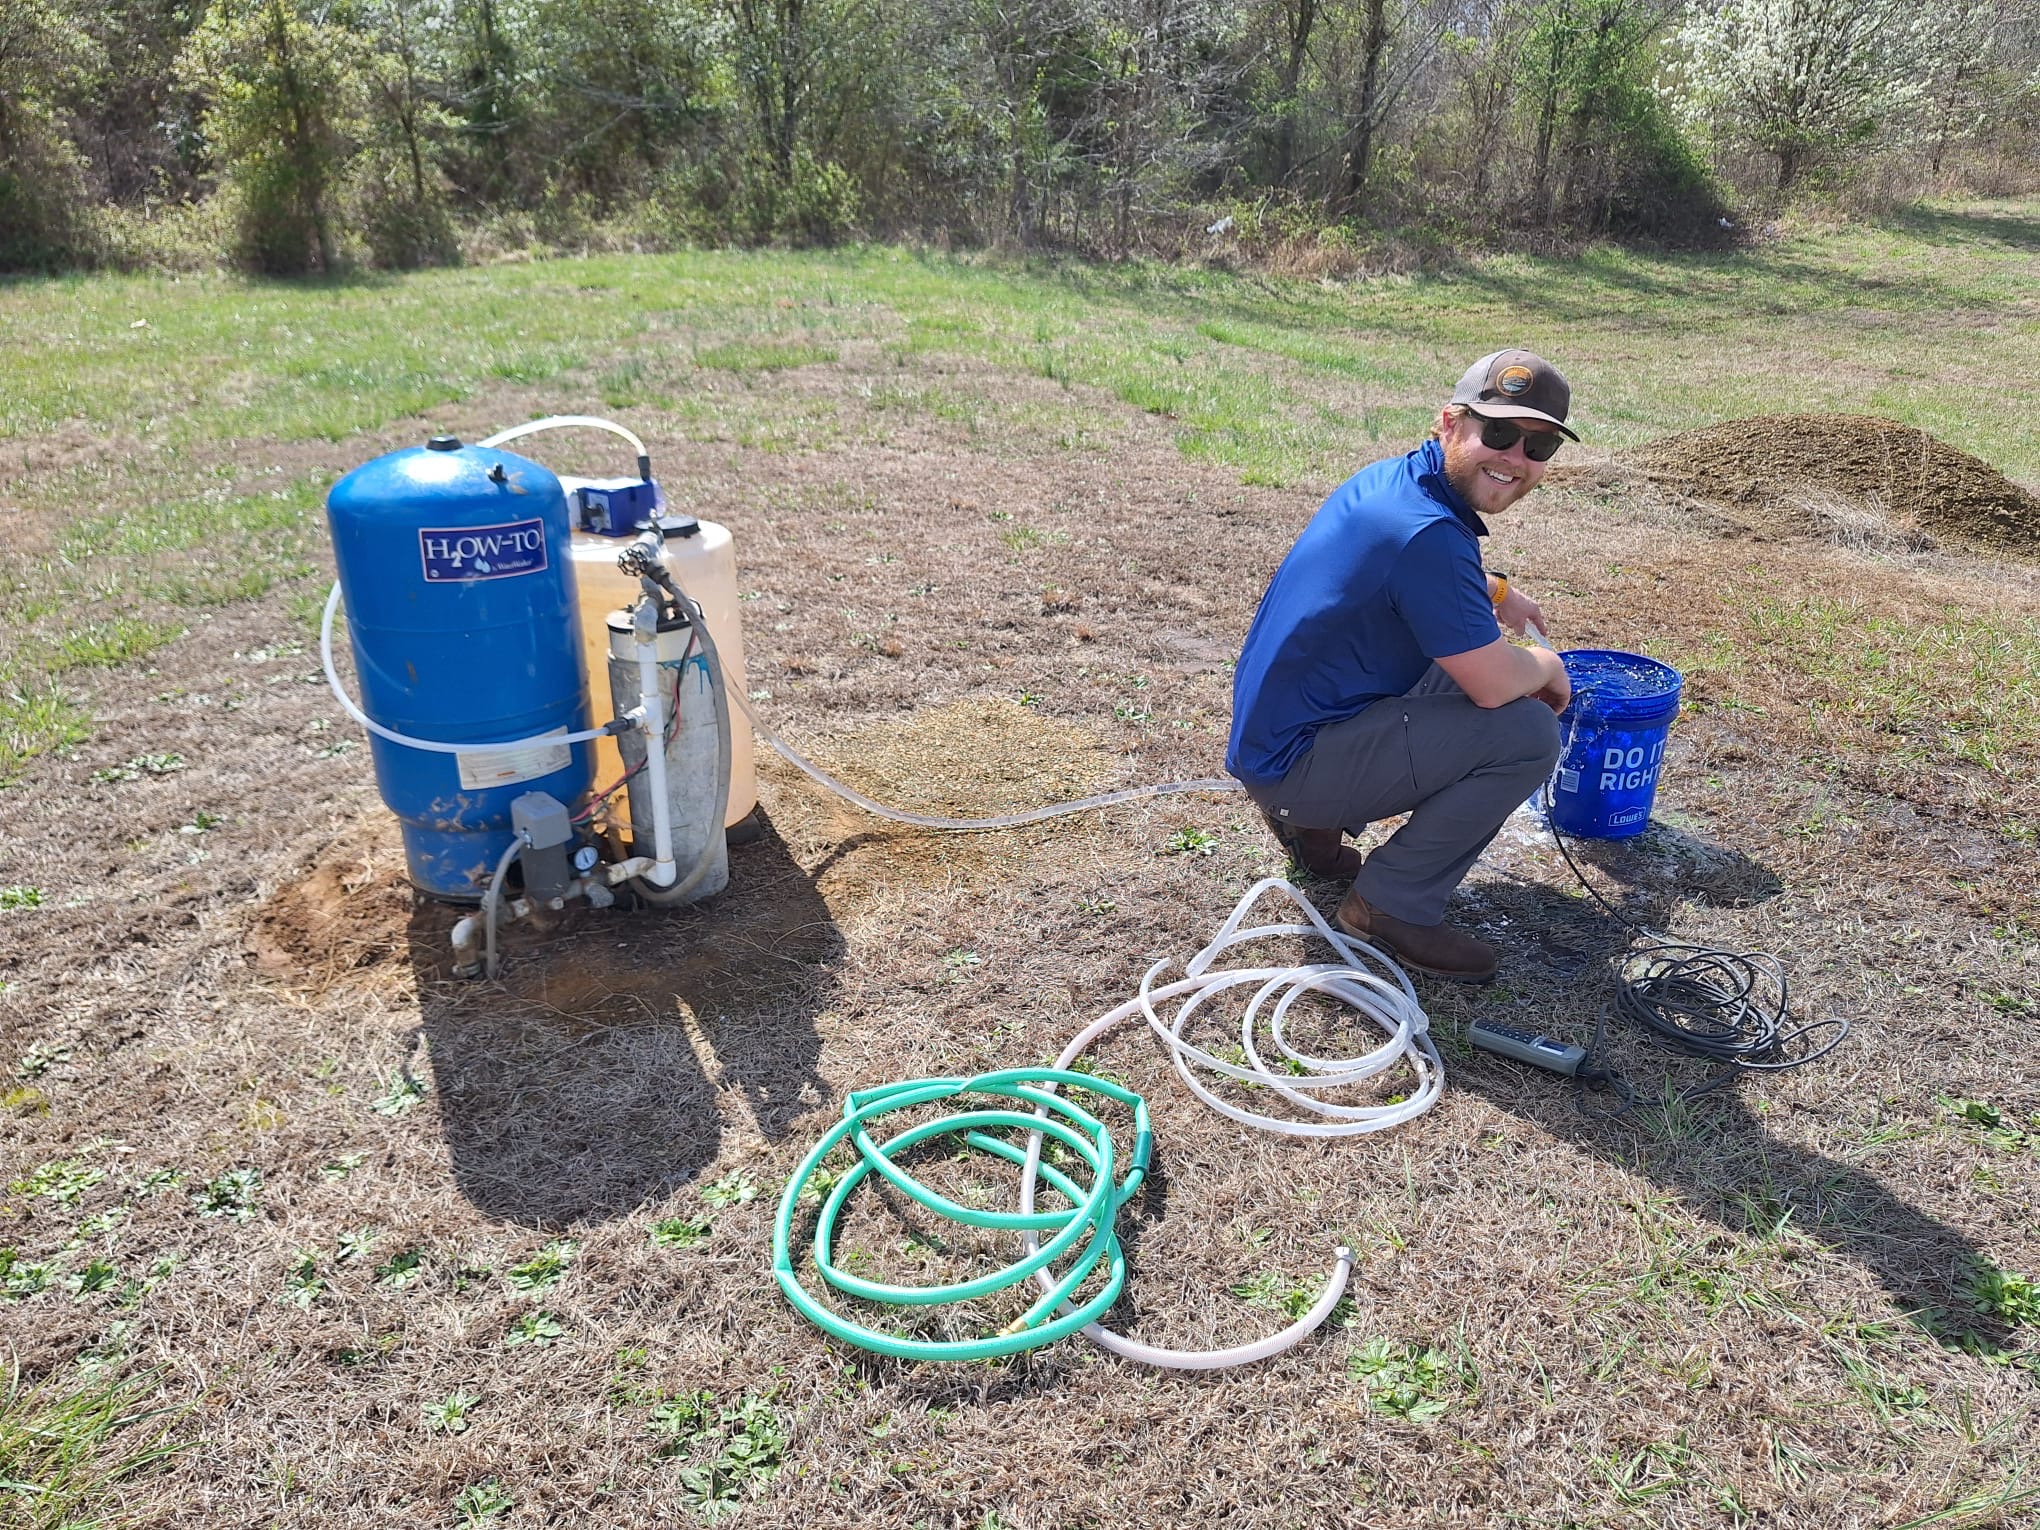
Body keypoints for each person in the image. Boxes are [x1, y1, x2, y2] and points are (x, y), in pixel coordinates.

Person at [1225, 349, 1577, 983]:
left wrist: (1496, 592)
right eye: (1497, 432)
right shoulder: (1430, 535)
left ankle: (1315, 830)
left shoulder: (1393, 483)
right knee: (1527, 733)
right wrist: (1546, 664)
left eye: (1538, 446)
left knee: (1454, 668)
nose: (1515, 458)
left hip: (1276, 736)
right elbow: (1495, 685)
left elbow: (1420, 582)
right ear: (1450, 422)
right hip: (1295, 762)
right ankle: (1388, 906)